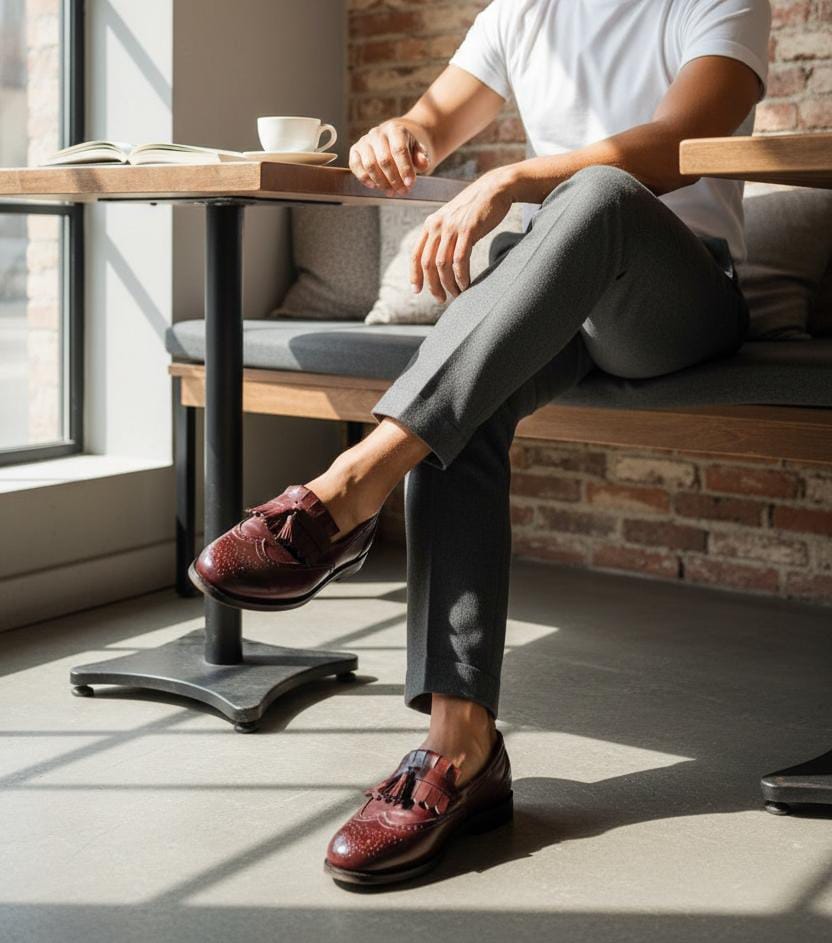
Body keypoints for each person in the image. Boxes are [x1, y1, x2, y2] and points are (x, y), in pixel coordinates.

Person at [190, 0, 771, 886]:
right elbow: (433, 117)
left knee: (600, 193)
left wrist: (513, 179)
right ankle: (459, 752)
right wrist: (400, 133)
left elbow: (679, 140)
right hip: (559, 287)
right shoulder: (523, 12)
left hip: (676, 294)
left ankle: (351, 484)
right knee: (463, 417)